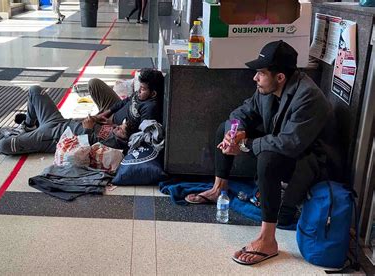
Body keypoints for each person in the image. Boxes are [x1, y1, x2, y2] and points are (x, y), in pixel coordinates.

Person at [185, 40, 338, 265]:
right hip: (284, 146)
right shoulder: (267, 89)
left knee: (268, 159)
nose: (254, 78)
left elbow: (290, 144)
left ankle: (268, 239)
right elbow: (242, 112)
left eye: (260, 73)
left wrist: (245, 144)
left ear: (280, 77)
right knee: (223, 128)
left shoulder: (308, 97)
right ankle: (219, 189)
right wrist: (234, 132)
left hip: (309, 162)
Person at [0, 85, 135, 155]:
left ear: (125, 140)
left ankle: (26, 135)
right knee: (35, 90)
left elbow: (85, 154)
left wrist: (87, 128)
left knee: (2, 145)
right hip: (60, 122)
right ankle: (28, 126)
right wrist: (96, 119)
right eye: (120, 126)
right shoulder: (118, 129)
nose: (117, 127)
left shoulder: (115, 146)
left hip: (53, 136)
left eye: (121, 131)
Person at [88, 68, 164, 130]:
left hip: (117, 128)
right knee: (94, 83)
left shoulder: (149, 109)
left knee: (87, 127)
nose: (139, 90)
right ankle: (100, 114)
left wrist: (113, 125)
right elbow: (125, 101)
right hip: (113, 112)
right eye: (140, 87)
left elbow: (137, 133)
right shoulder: (141, 94)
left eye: (143, 88)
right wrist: (106, 113)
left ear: (153, 94)